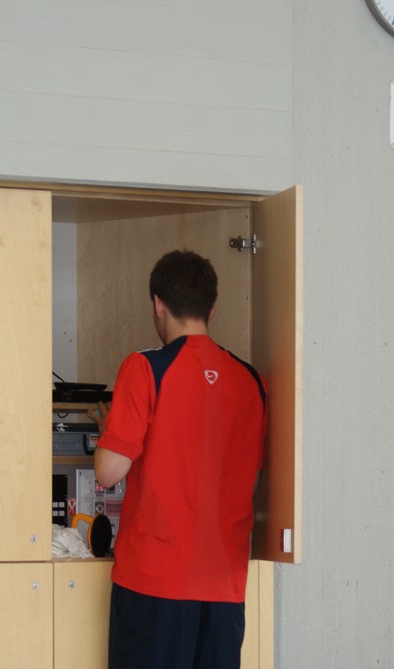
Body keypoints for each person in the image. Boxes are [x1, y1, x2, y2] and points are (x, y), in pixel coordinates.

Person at [87, 249, 267, 669]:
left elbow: (109, 472)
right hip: (224, 587)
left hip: (154, 581)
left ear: (158, 304)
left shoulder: (146, 367)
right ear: (212, 308)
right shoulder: (250, 381)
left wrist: (109, 432)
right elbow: (251, 479)